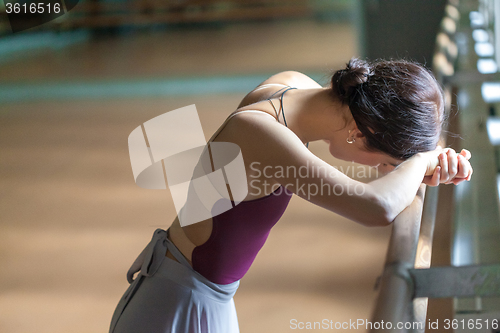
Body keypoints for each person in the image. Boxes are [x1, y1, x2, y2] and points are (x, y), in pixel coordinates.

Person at [109, 58, 473, 333]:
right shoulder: (258, 133)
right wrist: (424, 159)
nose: (385, 171)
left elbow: (387, 187)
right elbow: (377, 206)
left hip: (197, 294)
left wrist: (422, 165)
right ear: (361, 133)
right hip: (176, 305)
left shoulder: (292, 87)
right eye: (389, 162)